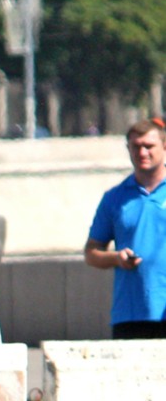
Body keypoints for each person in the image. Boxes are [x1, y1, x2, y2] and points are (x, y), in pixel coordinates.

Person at [83, 119, 166, 338]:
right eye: (136, 146)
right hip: (130, 314)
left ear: (164, 146)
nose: (142, 152)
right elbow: (91, 253)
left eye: (149, 146)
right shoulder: (115, 199)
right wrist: (117, 258)